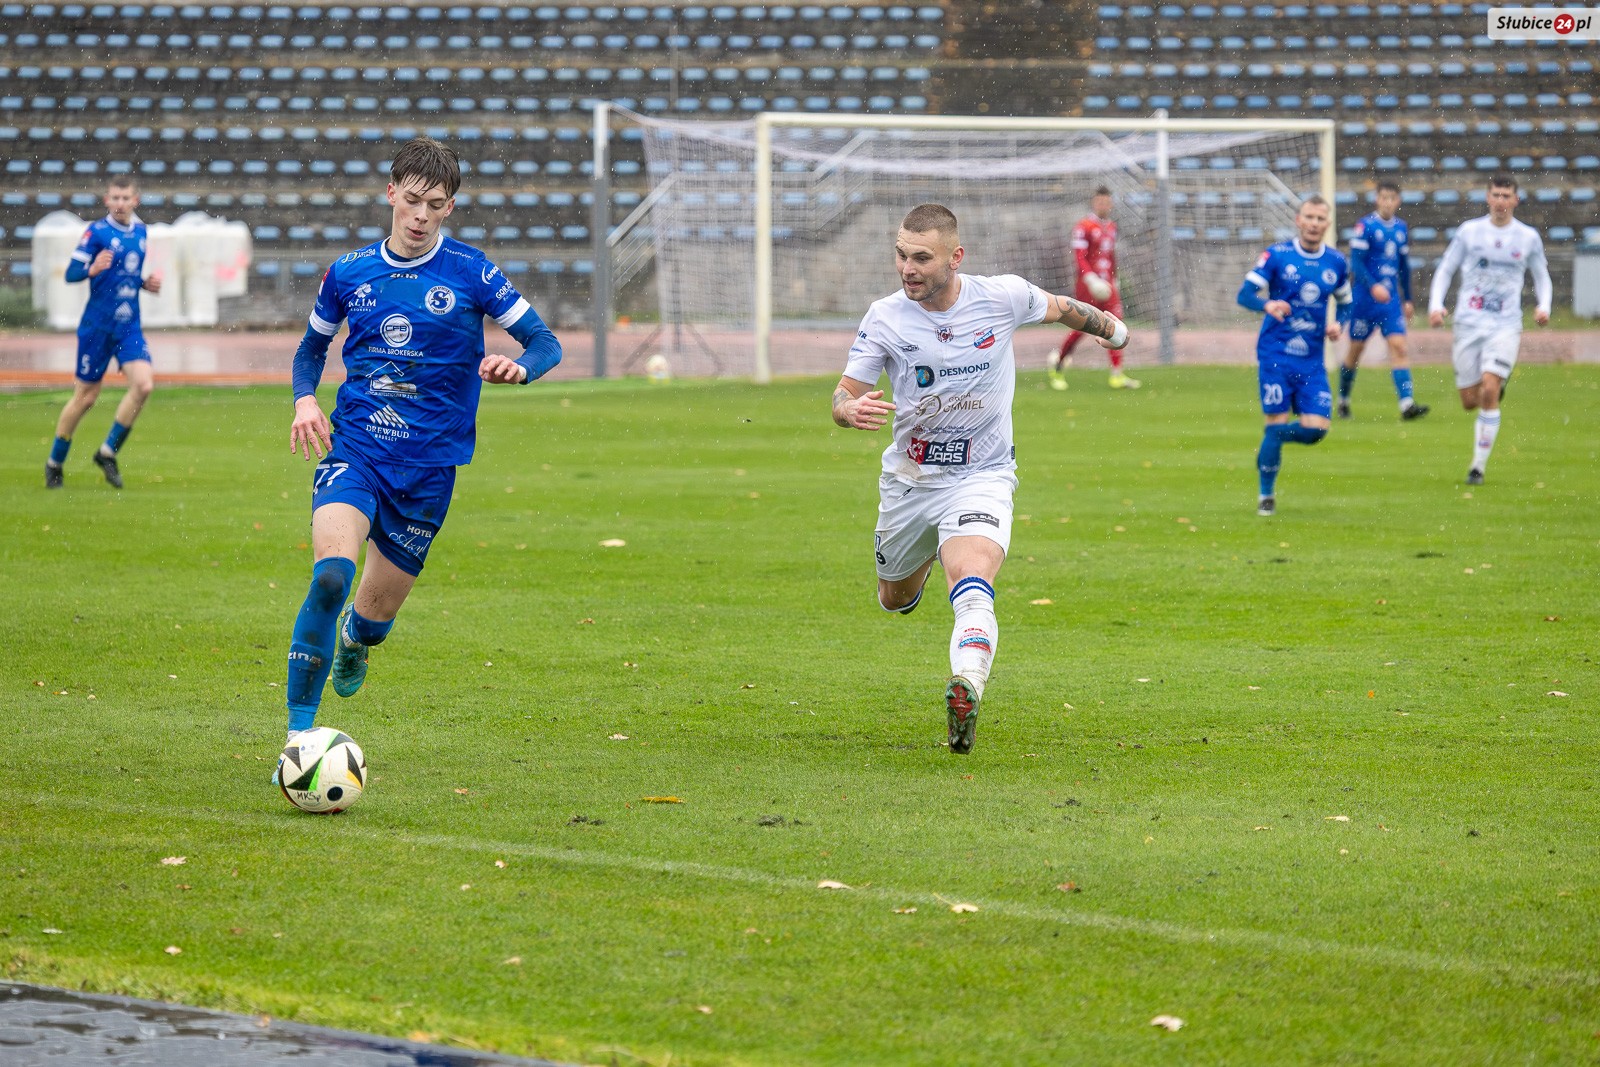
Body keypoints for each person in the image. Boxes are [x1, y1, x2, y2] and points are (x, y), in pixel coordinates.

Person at [277, 136, 562, 775]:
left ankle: (357, 639)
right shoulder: (348, 272)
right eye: (411, 201)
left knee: (373, 618)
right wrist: (304, 400)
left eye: (435, 205)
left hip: (430, 471)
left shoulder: (472, 272)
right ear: (391, 193)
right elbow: (310, 351)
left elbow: (545, 343)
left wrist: (520, 368)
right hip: (357, 449)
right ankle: (298, 738)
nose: (421, 216)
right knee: (331, 575)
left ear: (450, 207)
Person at [832, 203, 1129, 755]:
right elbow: (844, 393)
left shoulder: (1001, 296)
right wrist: (848, 410)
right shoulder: (885, 317)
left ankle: (967, 683)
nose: (907, 268)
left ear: (955, 257)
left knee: (971, 578)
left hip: (983, 474)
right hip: (910, 479)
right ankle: (920, 563)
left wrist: (1111, 328)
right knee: (893, 598)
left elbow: (1061, 308)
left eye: (922, 258)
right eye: (901, 255)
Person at [1427, 173, 1551, 486]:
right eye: (1495, 195)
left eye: (1506, 196)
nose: (1500, 201)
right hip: (1468, 322)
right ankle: (1490, 387)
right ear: (1487, 197)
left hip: (1505, 325)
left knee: (1490, 388)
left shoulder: (1527, 237)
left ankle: (1477, 468)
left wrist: (1544, 306)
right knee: (1470, 400)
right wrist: (1435, 305)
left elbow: (1541, 275)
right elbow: (1446, 268)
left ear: (1516, 200)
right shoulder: (1470, 232)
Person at [1235, 195, 1351, 517]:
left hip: (1312, 360)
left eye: (1320, 218)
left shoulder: (1336, 262)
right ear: (1298, 220)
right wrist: (1267, 304)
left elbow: (1346, 302)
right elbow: (1244, 294)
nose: (1314, 223)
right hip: (1276, 355)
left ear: (1327, 224)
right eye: (1309, 217)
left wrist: (1338, 325)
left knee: (1316, 429)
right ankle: (1266, 496)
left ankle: (1271, 440)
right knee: (1277, 419)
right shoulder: (1277, 255)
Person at [45, 176, 162, 489]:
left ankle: (107, 452)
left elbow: (127, 274)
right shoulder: (95, 232)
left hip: (128, 326)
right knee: (85, 398)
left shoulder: (141, 232)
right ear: (107, 201)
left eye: (125, 198)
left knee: (144, 385)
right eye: (115, 198)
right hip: (97, 327)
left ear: (135, 200)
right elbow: (71, 273)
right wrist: (91, 269)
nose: (120, 203)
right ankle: (55, 462)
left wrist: (144, 284)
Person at [1338, 180, 1428, 421]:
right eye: (1384, 198)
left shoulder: (1401, 228)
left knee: (1399, 346)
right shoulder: (1365, 226)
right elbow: (1356, 263)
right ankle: (1343, 399)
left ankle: (1407, 404)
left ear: (1398, 201)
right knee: (1355, 351)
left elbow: (1404, 266)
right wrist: (1373, 285)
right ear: (1377, 199)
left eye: (1392, 198)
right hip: (1364, 301)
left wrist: (1408, 298)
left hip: (1390, 302)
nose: (1388, 202)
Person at [1048, 186, 1138, 391]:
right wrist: (1090, 279)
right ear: (1094, 203)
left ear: (1111, 204)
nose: (1103, 206)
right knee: (1082, 327)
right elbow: (1079, 256)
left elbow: (1111, 256)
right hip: (1089, 286)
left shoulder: (1112, 227)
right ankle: (1059, 365)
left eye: (1106, 202)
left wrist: (1114, 279)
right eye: (1100, 202)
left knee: (1116, 324)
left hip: (1108, 284)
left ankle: (1117, 374)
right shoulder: (1084, 226)